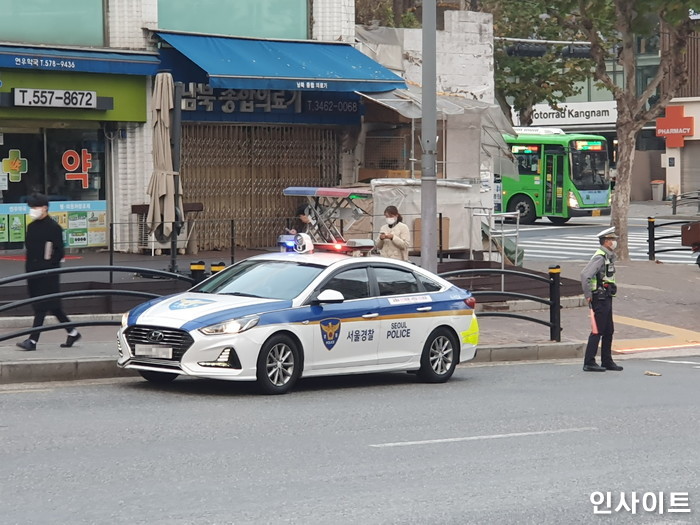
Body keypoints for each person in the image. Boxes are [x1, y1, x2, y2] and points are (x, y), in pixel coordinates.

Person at [16, 193, 81, 351]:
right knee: (54, 306)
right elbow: (30, 251)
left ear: (44, 208)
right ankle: (73, 332)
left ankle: (33, 341)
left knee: (41, 307)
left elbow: (60, 252)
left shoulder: (54, 227)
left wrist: (49, 263)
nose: (32, 210)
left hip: (48, 273)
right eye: (31, 207)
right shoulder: (31, 227)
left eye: (35, 207)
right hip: (32, 271)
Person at [580, 227, 622, 372]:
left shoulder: (607, 256)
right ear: (606, 242)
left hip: (607, 296)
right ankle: (589, 361)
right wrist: (588, 295)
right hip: (599, 297)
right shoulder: (600, 257)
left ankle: (607, 360)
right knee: (597, 330)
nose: (615, 242)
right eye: (613, 240)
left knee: (608, 330)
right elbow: (585, 275)